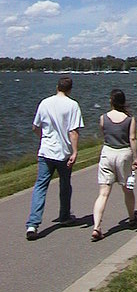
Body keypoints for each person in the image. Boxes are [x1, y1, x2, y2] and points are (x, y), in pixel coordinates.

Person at [26, 76, 84, 241]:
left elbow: (35, 127)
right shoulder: (72, 105)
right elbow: (73, 131)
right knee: (65, 184)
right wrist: (74, 152)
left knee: (40, 186)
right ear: (70, 89)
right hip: (63, 153)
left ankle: (33, 224)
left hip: (45, 152)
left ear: (57, 87)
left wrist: (43, 138)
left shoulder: (44, 103)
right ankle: (64, 215)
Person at [91, 89, 137, 241]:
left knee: (103, 193)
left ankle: (97, 226)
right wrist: (135, 158)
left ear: (111, 101)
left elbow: (104, 134)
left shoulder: (103, 118)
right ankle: (132, 217)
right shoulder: (130, 119)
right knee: (127, 189)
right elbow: (132, 138)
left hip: (107, 153)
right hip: (123, 154)